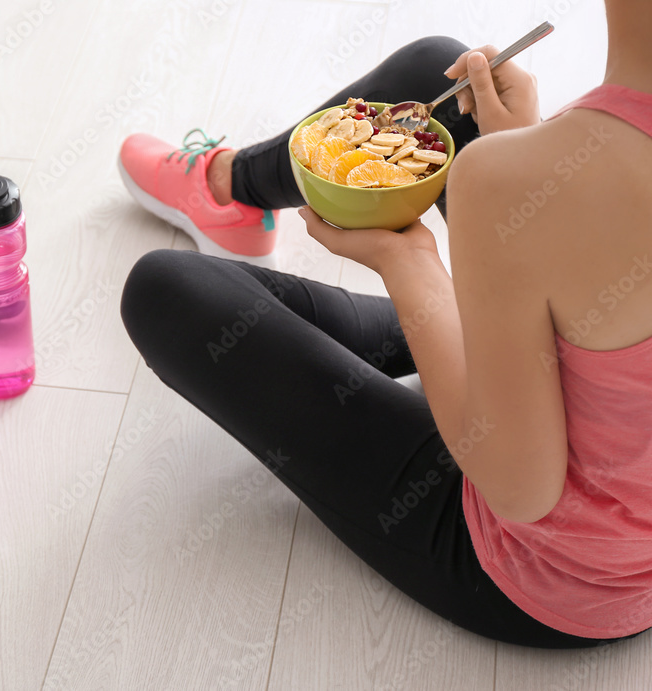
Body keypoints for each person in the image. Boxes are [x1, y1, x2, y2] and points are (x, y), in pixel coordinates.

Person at [116, 0, 652, 649]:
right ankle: (230, 187)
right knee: (441, 81)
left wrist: (409, 261)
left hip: (561, 580)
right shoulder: (553, 168)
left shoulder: (516, 178)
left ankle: (232, 197)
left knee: (165, 291)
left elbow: (519, 488)